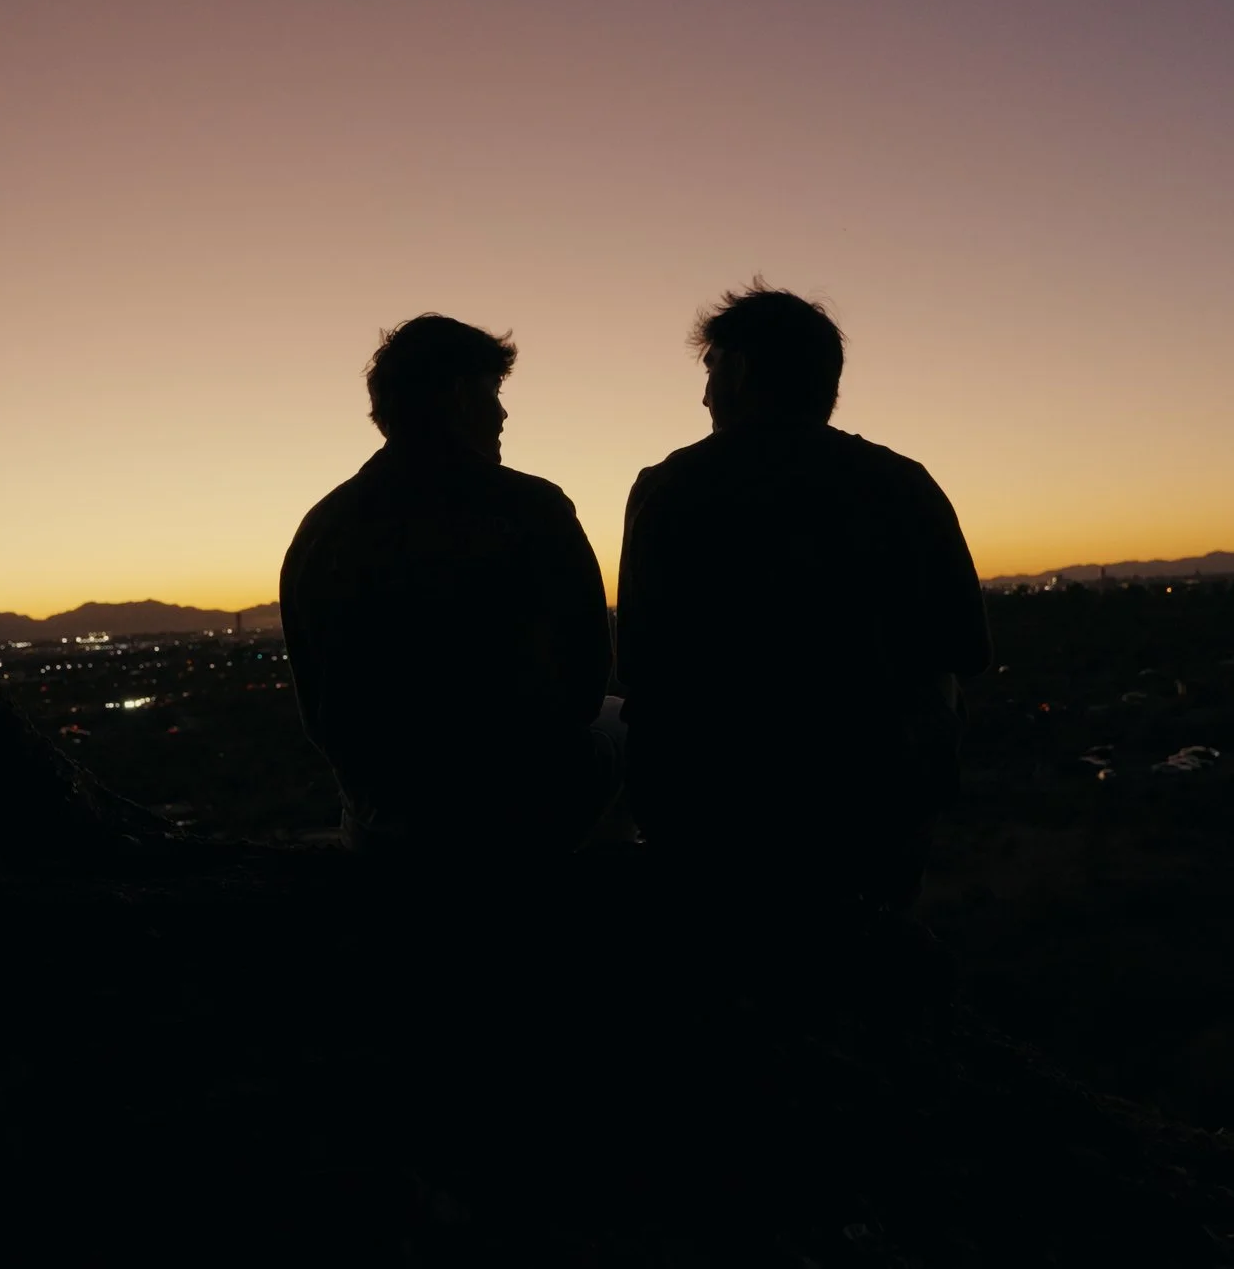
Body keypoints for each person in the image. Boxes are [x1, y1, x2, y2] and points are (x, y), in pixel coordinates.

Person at [617, 281, 990, 916]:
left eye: (710, 369)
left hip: (718, 801)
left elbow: (641, 668)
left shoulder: (670, 488)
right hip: (876, 799)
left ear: (736, 370)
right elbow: (967, 648)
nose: (703, 393)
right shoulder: (904, 484)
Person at [281, 315, 622, 869]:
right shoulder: (530, 509)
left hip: (383, 819)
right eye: (494, 392)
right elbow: (584, 687)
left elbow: (319, 716)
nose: (504, 413)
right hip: (512, 815)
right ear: (461, 395)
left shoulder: (322, 525)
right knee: (622, 718)